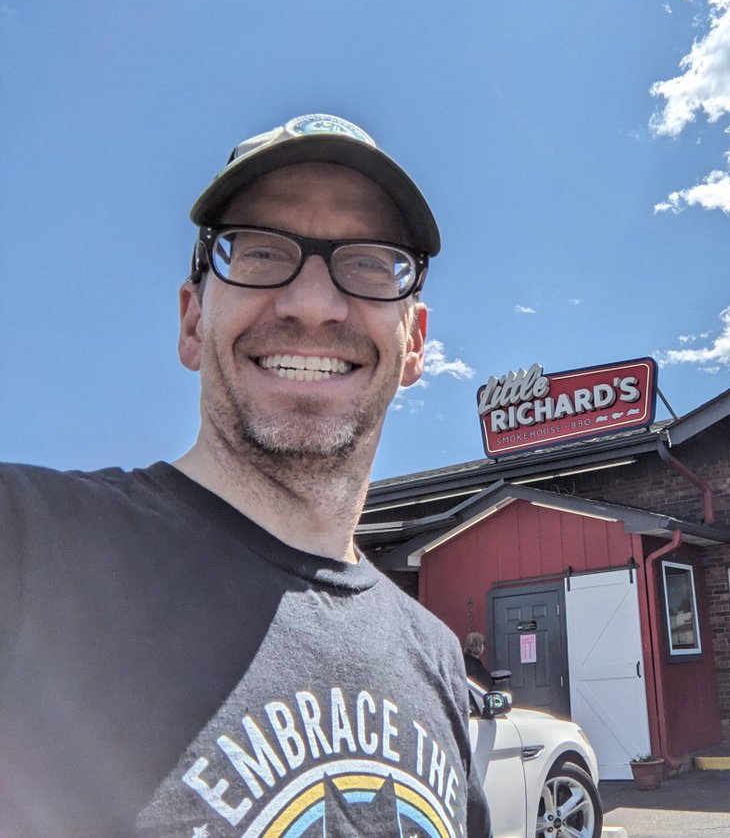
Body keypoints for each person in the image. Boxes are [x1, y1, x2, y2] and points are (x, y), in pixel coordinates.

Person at [0, 114, 491, 837]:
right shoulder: (29, 548)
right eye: (260, 252)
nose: (314, 304)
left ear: (414, 343)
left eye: (368, 261)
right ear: (193, 321)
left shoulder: (438, 662)